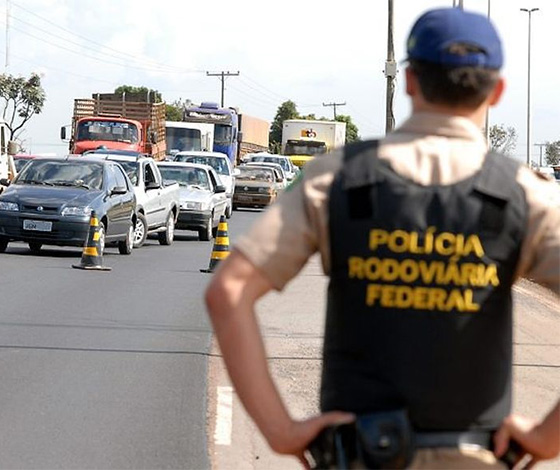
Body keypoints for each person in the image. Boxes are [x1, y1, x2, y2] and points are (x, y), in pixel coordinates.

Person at [205, 7, 560, 469]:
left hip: (360, 455)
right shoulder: (527, 196)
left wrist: (281, 430)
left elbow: (228, 292)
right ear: (498, 90)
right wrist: (547, 438)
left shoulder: (336, 178)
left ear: (410, 81)